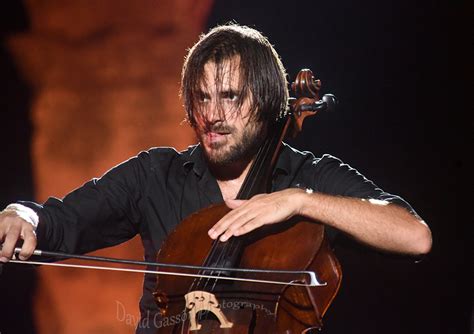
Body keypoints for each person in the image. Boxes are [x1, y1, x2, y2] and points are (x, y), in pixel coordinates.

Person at [0, 23, 432, 332]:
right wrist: (23, 215)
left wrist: (301, 201)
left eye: (229, 96)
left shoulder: (307, 175)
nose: (212, 114)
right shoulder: (154, 174)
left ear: (265, 101)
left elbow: (414, 235)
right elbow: (58, 220)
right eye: (202, 97)